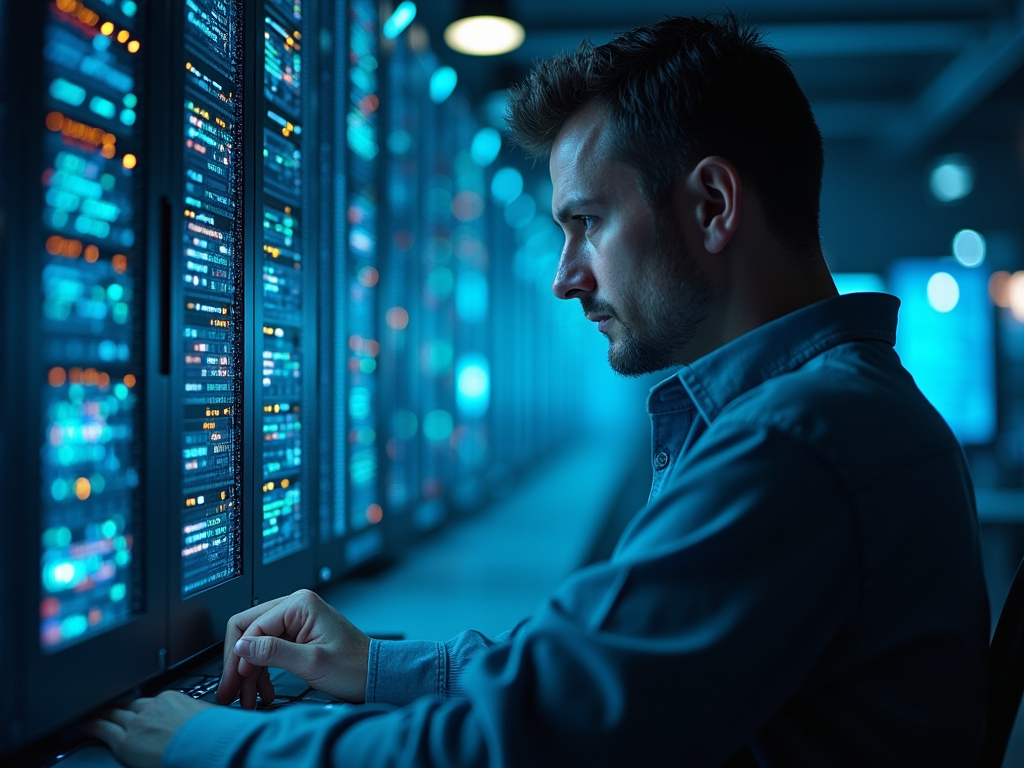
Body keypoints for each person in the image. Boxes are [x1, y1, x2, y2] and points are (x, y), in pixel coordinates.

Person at [88, 13, 989, 768]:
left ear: (713, 205)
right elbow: (591, 676)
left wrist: (208, 744)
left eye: (587, 223)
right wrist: (374, 666)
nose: (566, 278)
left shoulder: (796, 445)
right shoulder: (831, 412)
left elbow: (514, 747)